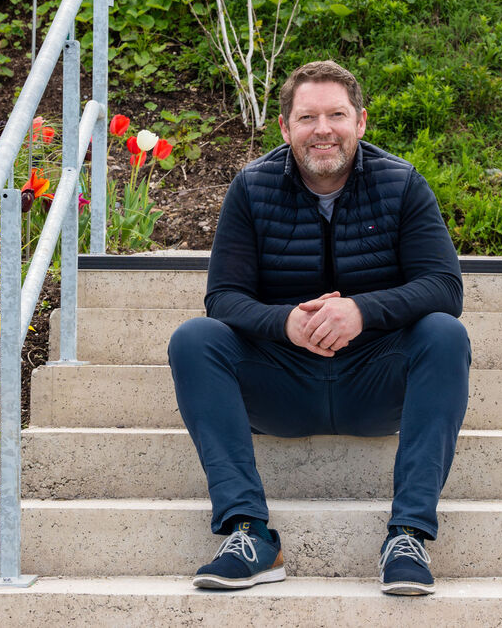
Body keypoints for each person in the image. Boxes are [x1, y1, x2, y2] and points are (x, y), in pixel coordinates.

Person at [167, 60, 470, 596]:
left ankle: (407, 537)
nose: (323, 129)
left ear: (361, 121)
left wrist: (360, 311)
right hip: (282, 385)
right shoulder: (251, 188)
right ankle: (249, 533)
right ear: (285, 128)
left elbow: (445, 286)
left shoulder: (402, 183)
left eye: (337, 114)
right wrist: (285, 322)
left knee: (445, 334)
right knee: (194, 339)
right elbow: (223, 298)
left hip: (375, 383)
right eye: (308, 117)